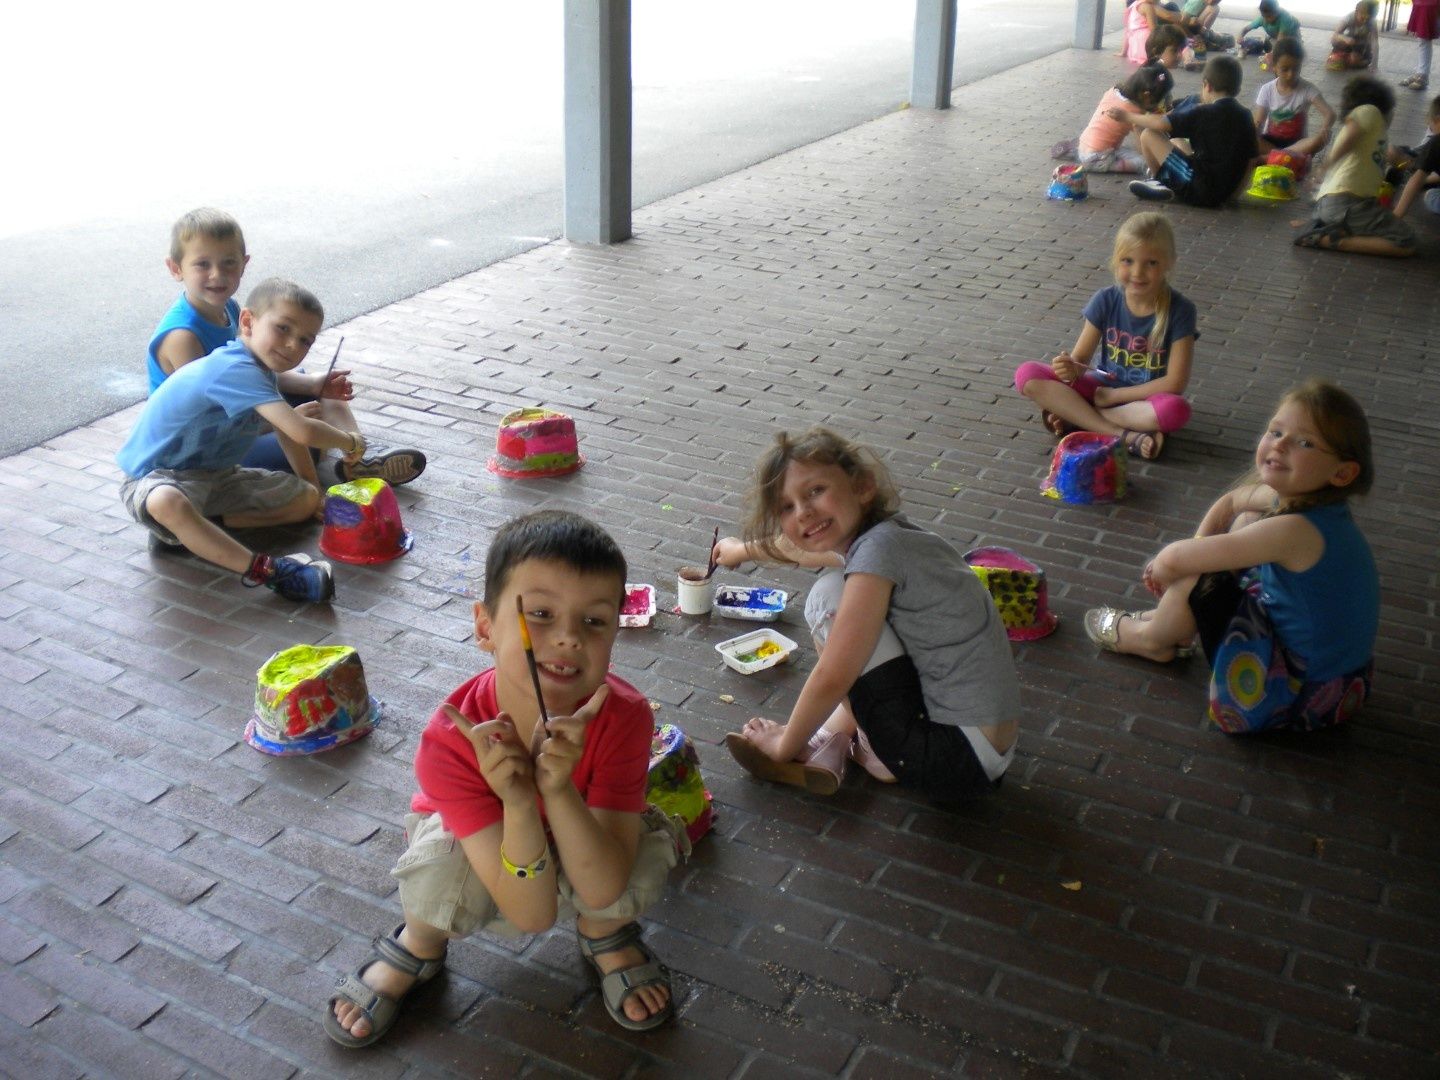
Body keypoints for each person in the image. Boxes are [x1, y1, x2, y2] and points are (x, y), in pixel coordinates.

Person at [326, 511, 687, 1046]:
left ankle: (603, 932)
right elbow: (531, 916)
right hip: (485, 845)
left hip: (583, 837)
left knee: (637, 854)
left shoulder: (625, 716)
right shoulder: (450, 743)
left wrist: (557, 790)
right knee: (439, 875)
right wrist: (518, 804)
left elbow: (603, 884)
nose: (568, 638)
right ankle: (421, 943)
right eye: (539, 614)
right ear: (485, 628)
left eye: (594, 621)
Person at [716, 428, 1021, 804]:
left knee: (827, 598)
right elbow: (807, 552)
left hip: (948, 757)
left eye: (815, 491)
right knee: (841, 590)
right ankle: (838, 735)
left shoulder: (876, 552)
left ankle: (854, 746)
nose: (804, 511)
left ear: (862, 487)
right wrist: (741, 550)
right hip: (982, 751)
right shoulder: (890, 538)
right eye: (787, 507)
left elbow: (834, 674)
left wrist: (783, 745)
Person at [1083, 380, 1377, 735]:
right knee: (1238, 528)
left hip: (1292, 695)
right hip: (1341, 685)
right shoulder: (1316, 506)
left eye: (1305, 443)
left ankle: (1152, 639)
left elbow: (1175, 559)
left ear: (1342, 473)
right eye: (1276, 432)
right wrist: (1193, 558)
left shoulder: (1295, 530)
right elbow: (1233, 501)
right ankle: (1172, 620)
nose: (1280, 444)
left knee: (1203, 570)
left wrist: (1167, 572)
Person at [117, 279, 366, 602]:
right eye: (283, 328)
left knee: (304, 499)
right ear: (247, 322)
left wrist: (315, 491)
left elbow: (286, 431)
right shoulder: (235, 367)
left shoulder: (261, 372)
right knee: (167, 502)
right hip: (154, 478)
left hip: (217, 477)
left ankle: (189, 531)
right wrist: (352, 442)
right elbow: (300, 431)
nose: (293, 345)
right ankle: (270, 572)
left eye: (305, 340)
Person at [151, 208, 426, 486]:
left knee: (324, 392)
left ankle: (362, 459)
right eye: (203, 264)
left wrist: (315, 384)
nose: (217, 275)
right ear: (176, 268)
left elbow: (256, 373)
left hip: (249, 412)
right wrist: (287, 422)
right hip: (203, 453)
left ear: (244, 265)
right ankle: (343, 455)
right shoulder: (183, 337)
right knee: (307, 438)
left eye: (228, 263)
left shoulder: (229, 309)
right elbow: (213, 420)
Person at [1015, 212, 1195, 461]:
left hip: (1143, 398)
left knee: (1176, 410)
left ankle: (1077, 418)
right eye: (1128, 261)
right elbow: (1080, 361)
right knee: (1026, 374)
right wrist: (1068, 367)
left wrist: (1113, 397)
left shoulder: (1181, 310)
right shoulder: (1106, 300)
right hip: (1101, 387)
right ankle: (1122, 435)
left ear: (1169, 263)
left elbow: (1175, 382)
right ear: (1115, 261)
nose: (1137, 272)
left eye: (1151, 263)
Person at [1294, 76, 1418, 256]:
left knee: (1376, 222)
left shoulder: (1374, 135)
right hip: (1347, 204)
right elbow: (1350, 136)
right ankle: (1329, 240)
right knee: (1406, 241)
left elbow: (1390, 157)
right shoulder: (1370, 111)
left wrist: (1406, 162)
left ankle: (1320, 225)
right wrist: (1324, 166)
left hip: (1335, 205)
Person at [1115, 54, 1259, 206]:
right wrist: (1234, 196)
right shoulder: (1245, 115)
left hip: (1198, 188)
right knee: (1178, 142)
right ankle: (1164, 181)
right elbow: (1251, 160)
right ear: (1237, 89)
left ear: (1207, 85)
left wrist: (1127, 116)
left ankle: (1159, 182)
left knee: (1149, 134)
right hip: (1224, 193)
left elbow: (1160, 124)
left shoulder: (1203, 111)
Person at [1052, 64, 1175, 173]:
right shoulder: (1133, 112)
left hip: (1085, 144)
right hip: (1097, 156)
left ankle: (1078, 151)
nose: (1156, 105)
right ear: (1146, 95)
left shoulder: (1113, 91)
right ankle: (1097, 164)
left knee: (1123, 150)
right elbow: (1142, 145)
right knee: (1144, 162)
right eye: (1156, 102)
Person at [1254, 39, 1336, 159]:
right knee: (1249, 138)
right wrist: (1254, 133)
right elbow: (1259, 122)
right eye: (1285, 69)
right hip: (1270, 143)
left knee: (1321, 139)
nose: (1291, 74)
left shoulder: (1307, 89)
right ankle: (1284, 156)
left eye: (1296, 69)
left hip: (1297, 144)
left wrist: (1325, 128)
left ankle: (1270, 158)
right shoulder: (1267, 89)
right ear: (1274, 67)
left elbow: (1330, 114)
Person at [1392, 95, 1440, 218]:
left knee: (1431, 197)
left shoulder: (1436, 142)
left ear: (1436, 120)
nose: (1429, 127)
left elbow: (1416, 180)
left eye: (1430, 124)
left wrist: (1396, 216)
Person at [1328, 1, 1379, 71]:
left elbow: (1375, 42)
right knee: (1337, 41)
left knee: (1355, 61)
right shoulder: (1348, 18)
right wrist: (1344, 38)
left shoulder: (1371, 21)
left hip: (1362, 47)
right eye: (1362, 17)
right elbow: (1334, 36)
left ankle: (1352, 60)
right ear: (1356, 12)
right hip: (1350, 44)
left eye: (1367, 18)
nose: (1364, 20)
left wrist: (1374, 65)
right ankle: (1342, 56)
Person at [1400, 0, 1439, 90]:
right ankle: (1420, 73)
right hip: (1422, 3)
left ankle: (1423, 75)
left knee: (1424, 39)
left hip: (1429, 4)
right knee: (1422, 39)